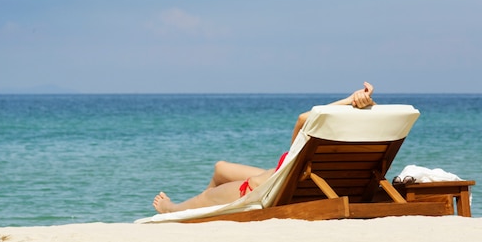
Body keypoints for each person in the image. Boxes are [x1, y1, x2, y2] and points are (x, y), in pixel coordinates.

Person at [153, 82, 376, 214]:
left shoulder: (312, 145)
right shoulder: (358, 146)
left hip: (263, 188)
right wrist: (365, 105)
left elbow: (303, 119)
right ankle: (211, 200)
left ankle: (173, 208)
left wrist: (348, 100)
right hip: (278, 176)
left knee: (209, 196)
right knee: (220, 168)